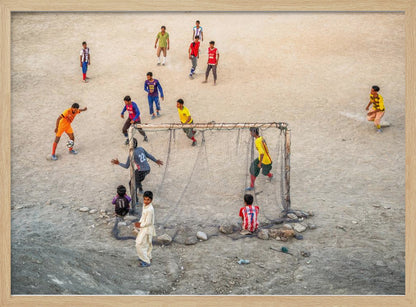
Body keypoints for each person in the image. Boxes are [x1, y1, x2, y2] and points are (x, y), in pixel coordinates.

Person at [133, 191, 156, 267]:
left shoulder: (150, 210)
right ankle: (148, 257)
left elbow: (148, 222)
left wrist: (140, 225)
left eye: (148, 200)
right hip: (144, 228)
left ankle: (146, 261)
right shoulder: (145, 206)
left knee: (139, 244)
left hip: (147, 229)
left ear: (151, 200)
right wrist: (139, 223)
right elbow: (143, 217)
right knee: (146, 243)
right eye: (145, 199)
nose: (146, 201)